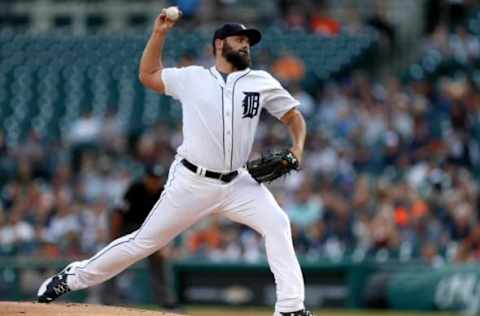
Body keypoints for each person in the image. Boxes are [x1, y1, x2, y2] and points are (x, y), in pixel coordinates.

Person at [37, 8, 311, 316]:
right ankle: (70, 278)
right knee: (142, 243)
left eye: (248, 41)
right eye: (238, 39)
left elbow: (293, 116)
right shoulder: (192, 77)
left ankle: (289, 308)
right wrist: (160, 33)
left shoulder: (260, 81)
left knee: (277, 223)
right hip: (192, 182)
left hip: (239, 183)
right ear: (219, 44)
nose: (246, 45)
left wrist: (297, 148)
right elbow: (148, 75)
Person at [105, 164, 178, 309]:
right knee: (111, 260)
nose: (155, 182)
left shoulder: (164, 193)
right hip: (127, 228)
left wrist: (163, 245)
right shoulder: (135, 189)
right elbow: (117, 214)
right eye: (152, 178)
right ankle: (106, 299)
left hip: (149, 231)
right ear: (145, 178)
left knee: (159, 262)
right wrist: (114, 240)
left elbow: (167, 221)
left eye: (157, 179)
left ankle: (166, 302)